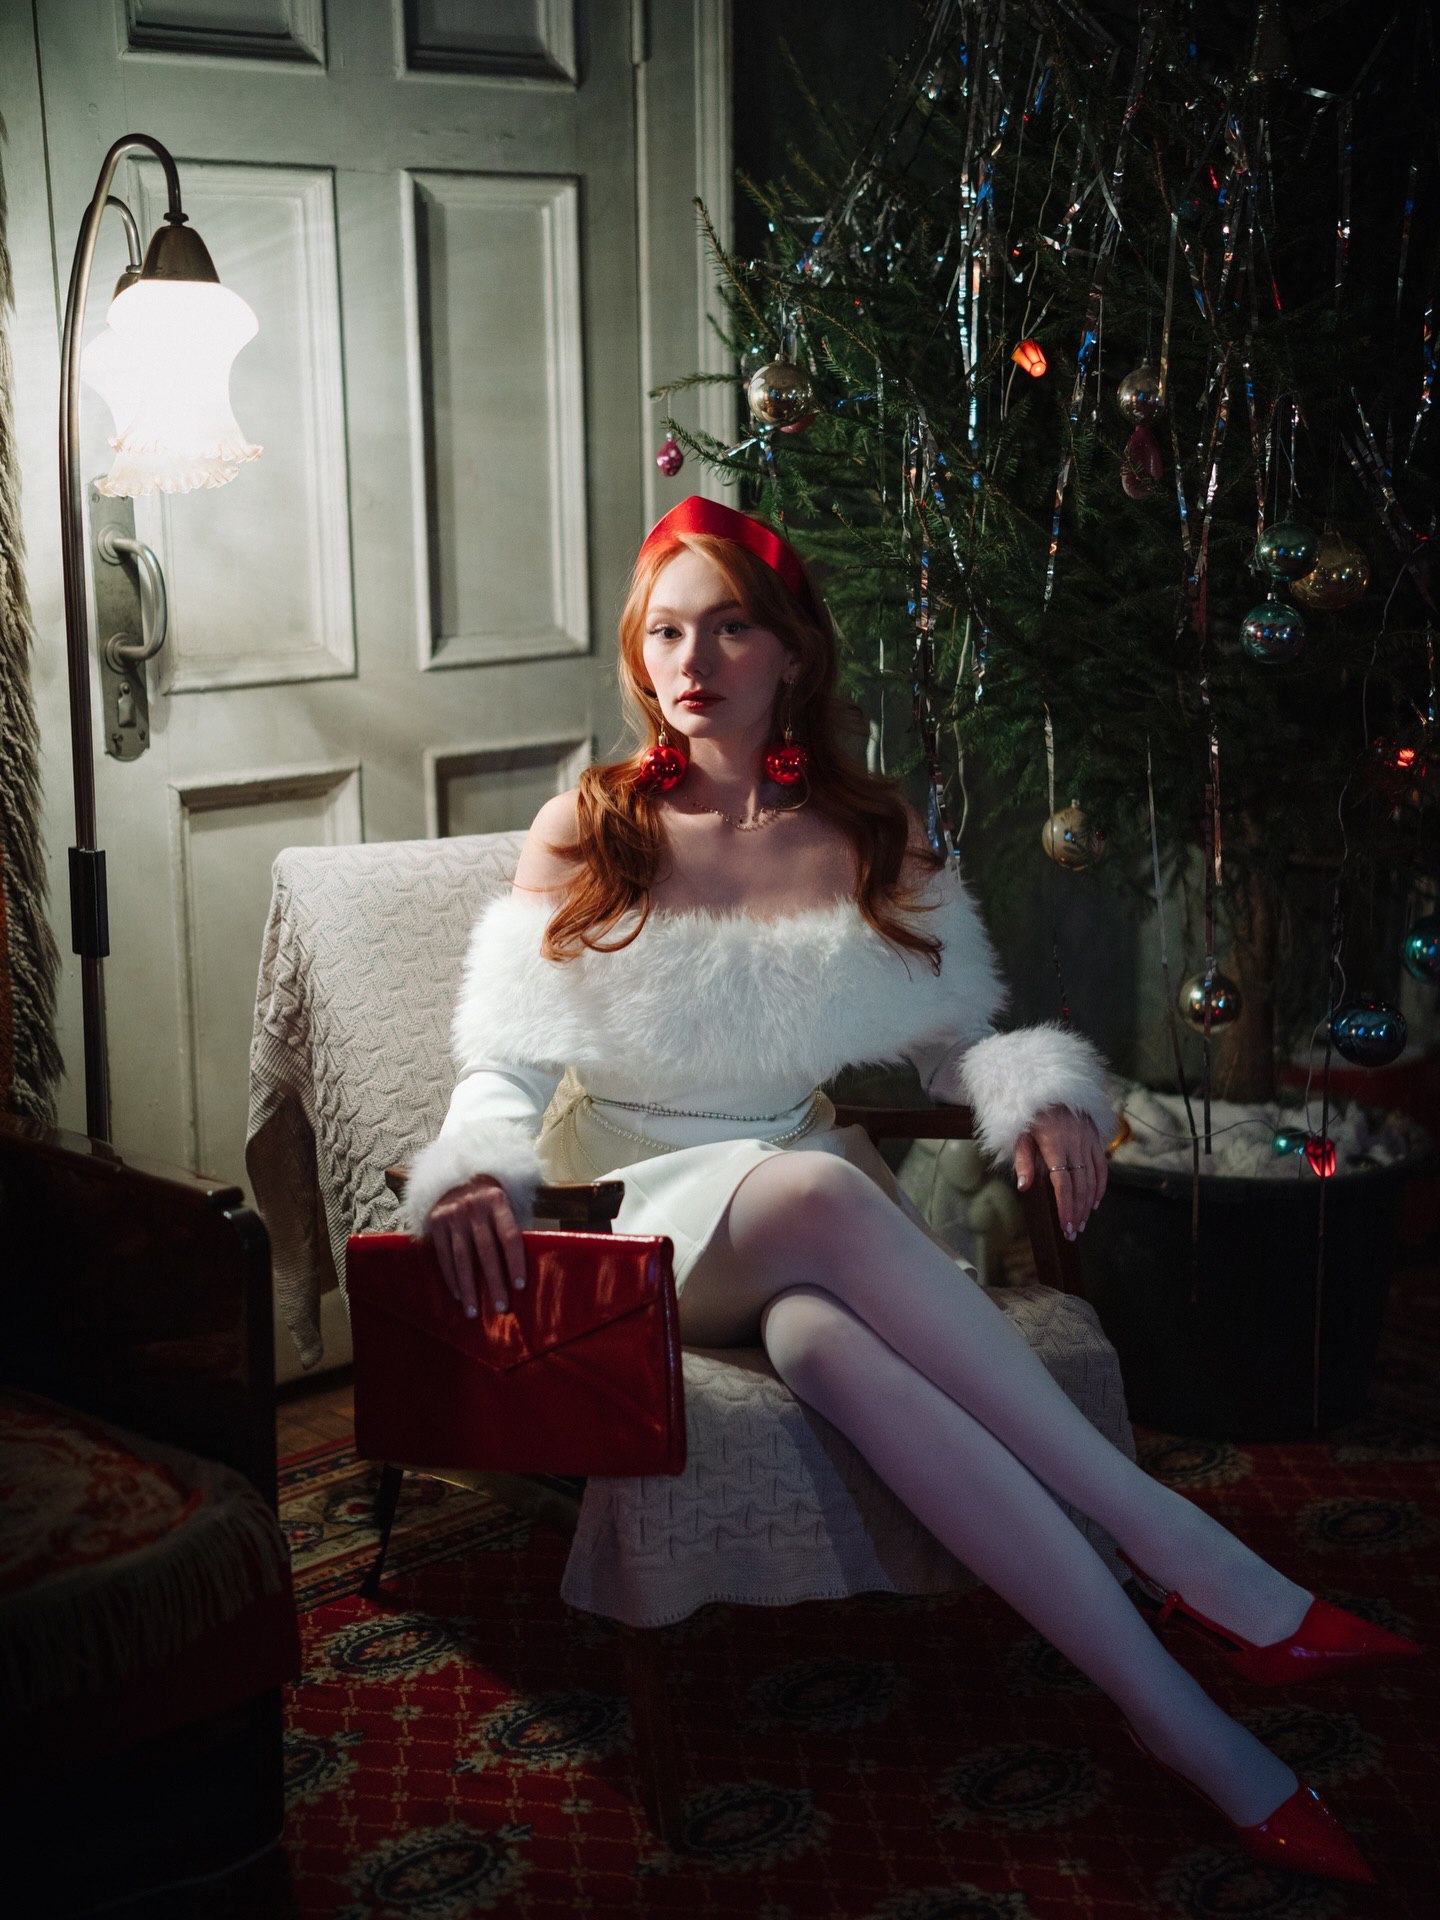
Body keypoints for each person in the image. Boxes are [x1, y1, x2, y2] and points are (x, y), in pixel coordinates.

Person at [406, 495, 1416, 1883]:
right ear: (641, 655)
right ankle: (1180, 1547)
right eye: (666, 632)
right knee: (824, 1192)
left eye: (730, 627)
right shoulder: (589, 824)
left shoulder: (869, 829)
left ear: (793, 650)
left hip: (794, 1220)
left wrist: (1036, 1087)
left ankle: (1186, 1727)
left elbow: (960, 1038)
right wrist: (474, 1166)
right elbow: (505, 1061)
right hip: (631, 1210)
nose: (693, 661)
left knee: (830, 1338)